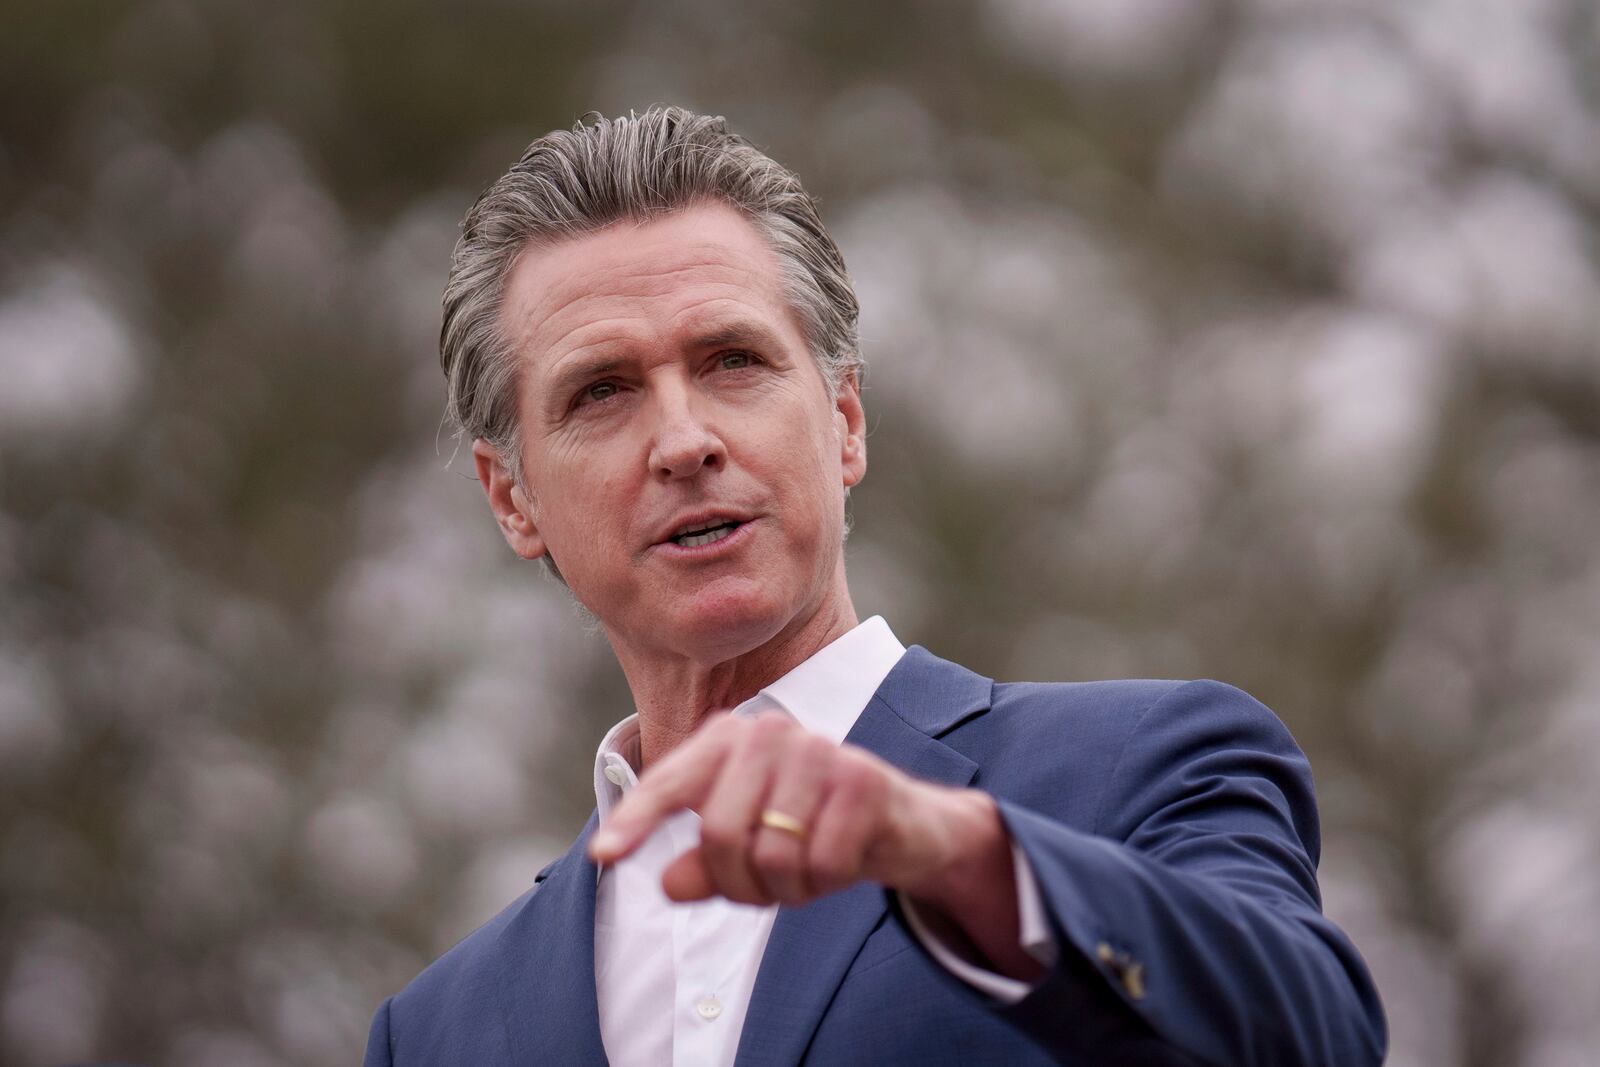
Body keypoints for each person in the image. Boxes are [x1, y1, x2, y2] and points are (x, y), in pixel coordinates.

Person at [363, 107, 1386, 1066]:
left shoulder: (1141, 768)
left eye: (731, 360)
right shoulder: (436, 1030)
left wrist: (957, 858)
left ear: (844, 420)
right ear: (513, 497)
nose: (683, 441)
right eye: (602, 390)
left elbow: (1317, 1031)